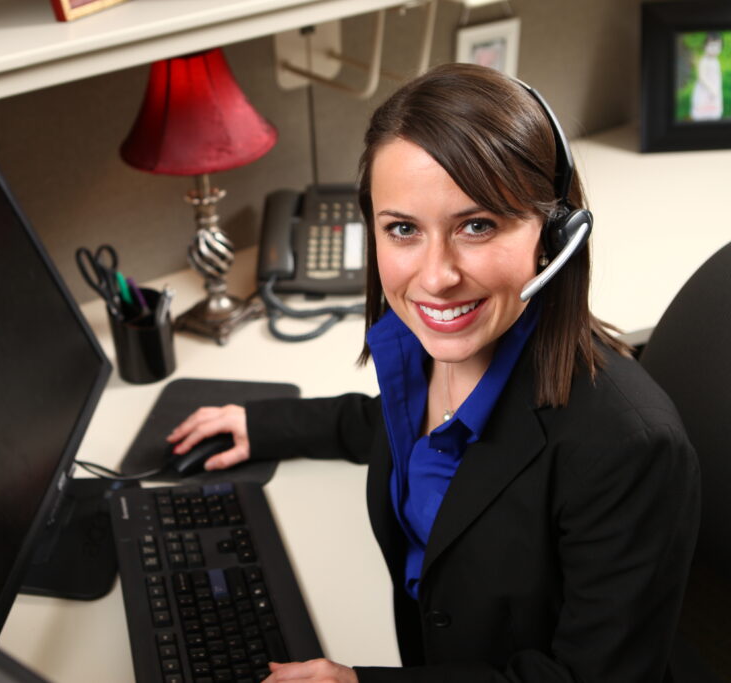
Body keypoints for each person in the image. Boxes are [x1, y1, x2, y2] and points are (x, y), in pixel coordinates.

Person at [168, 63, 700, 682]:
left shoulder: (627, 449)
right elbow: (398, 424)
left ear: (554, 235)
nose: (436, 276)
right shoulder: (428, 350)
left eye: (477, 225)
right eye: (403, 229)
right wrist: (267, 424)